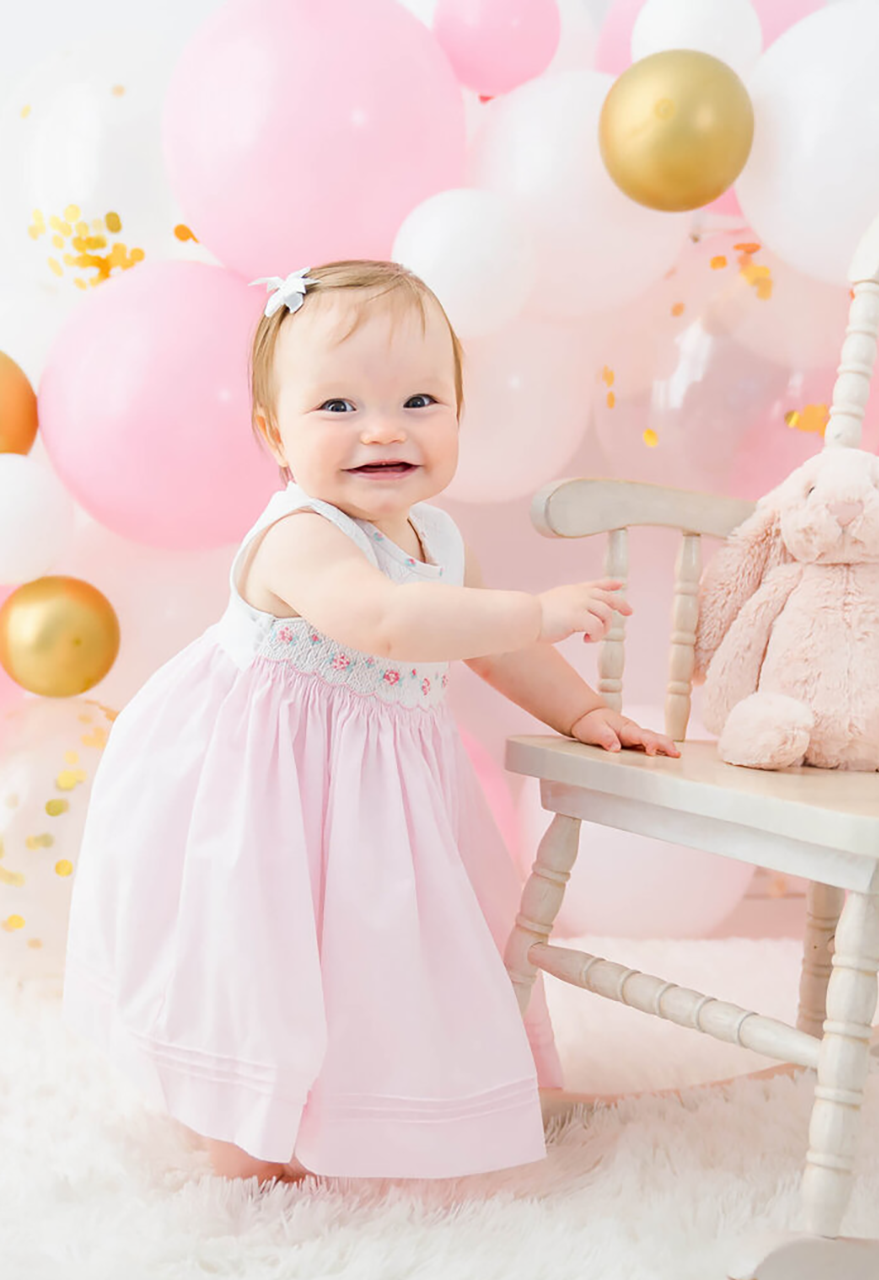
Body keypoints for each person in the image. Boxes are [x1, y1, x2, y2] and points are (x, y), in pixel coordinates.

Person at [61, 259, 680, 1187]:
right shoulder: (300, 534)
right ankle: (244, 1118)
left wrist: (582, 706)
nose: (384, 428)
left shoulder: (438, 535)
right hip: (262, 784)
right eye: (338, 407)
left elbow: (481, 644)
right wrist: (537, 608)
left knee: (376, 947)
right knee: (261, 951)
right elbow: (387, 621)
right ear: (275, 431)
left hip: (377, 786)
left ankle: (369, 1103)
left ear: (459, 416)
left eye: (421, 399)